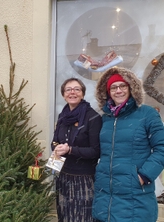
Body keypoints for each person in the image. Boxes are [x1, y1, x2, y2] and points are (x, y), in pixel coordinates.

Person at [92, 67, 164, 222]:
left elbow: (163, 149)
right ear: (108, 92)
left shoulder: (147, 114)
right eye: (113, 87)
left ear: (131, 88)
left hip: (135, 196)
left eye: (123, 86)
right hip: (105, 196)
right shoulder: (105, 118)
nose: (118, 91)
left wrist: (143, 176)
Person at [52, 77, 102, 222]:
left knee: (82, 218)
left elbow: (96, 151)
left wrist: (70, 150)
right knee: (64, 216)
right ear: (63, 94)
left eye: (77, 89)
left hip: (84, 179)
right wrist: (57, 147)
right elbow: (55, 141)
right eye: (68, 89)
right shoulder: (63, 116)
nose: (72, 92)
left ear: (83, 93)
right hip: (63, 176)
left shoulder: (92, 117)